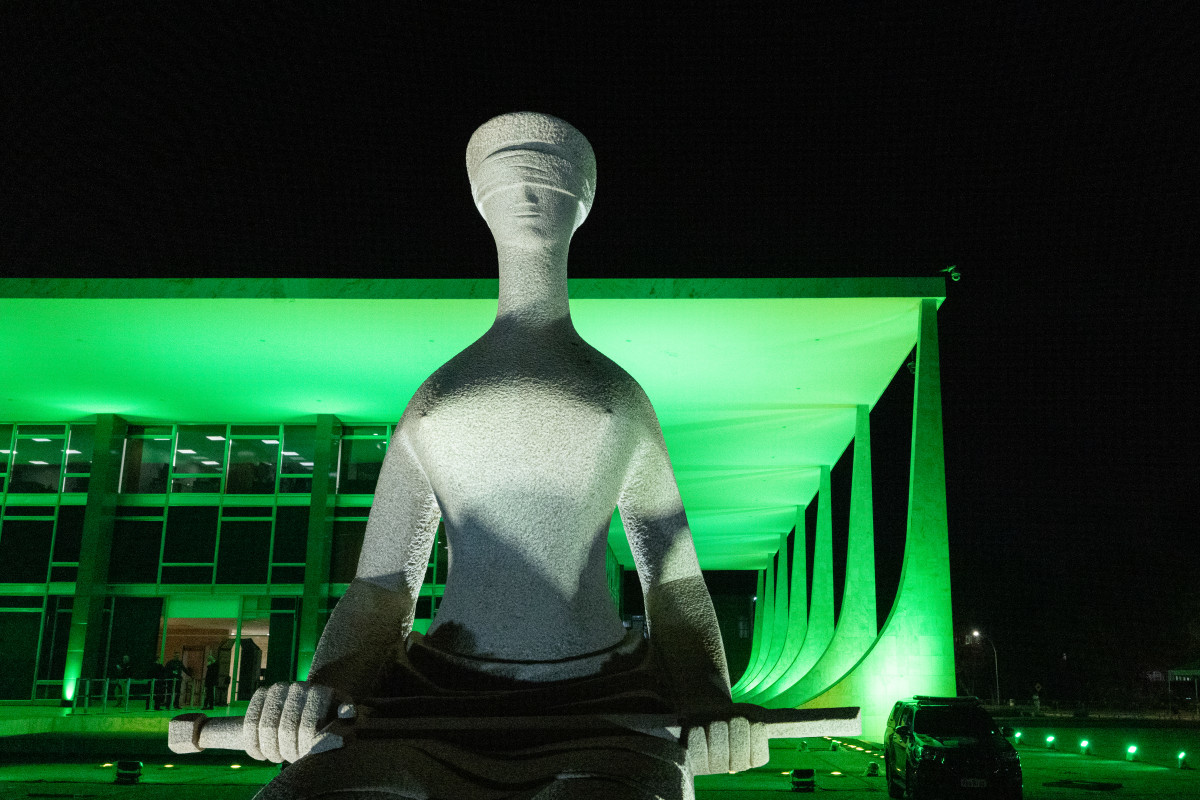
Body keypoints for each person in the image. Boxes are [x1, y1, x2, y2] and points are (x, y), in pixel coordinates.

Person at [249, 113, 766, 799]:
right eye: (508, 176)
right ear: (478, 202)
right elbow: (381, 589)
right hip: (427, 702)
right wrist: (323, 690)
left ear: (580, 204)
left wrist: (706, 696)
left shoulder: (618, 398)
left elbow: (672, 583)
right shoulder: (436, 400)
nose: (528, 191)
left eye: (548, 180)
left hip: (605, 712)